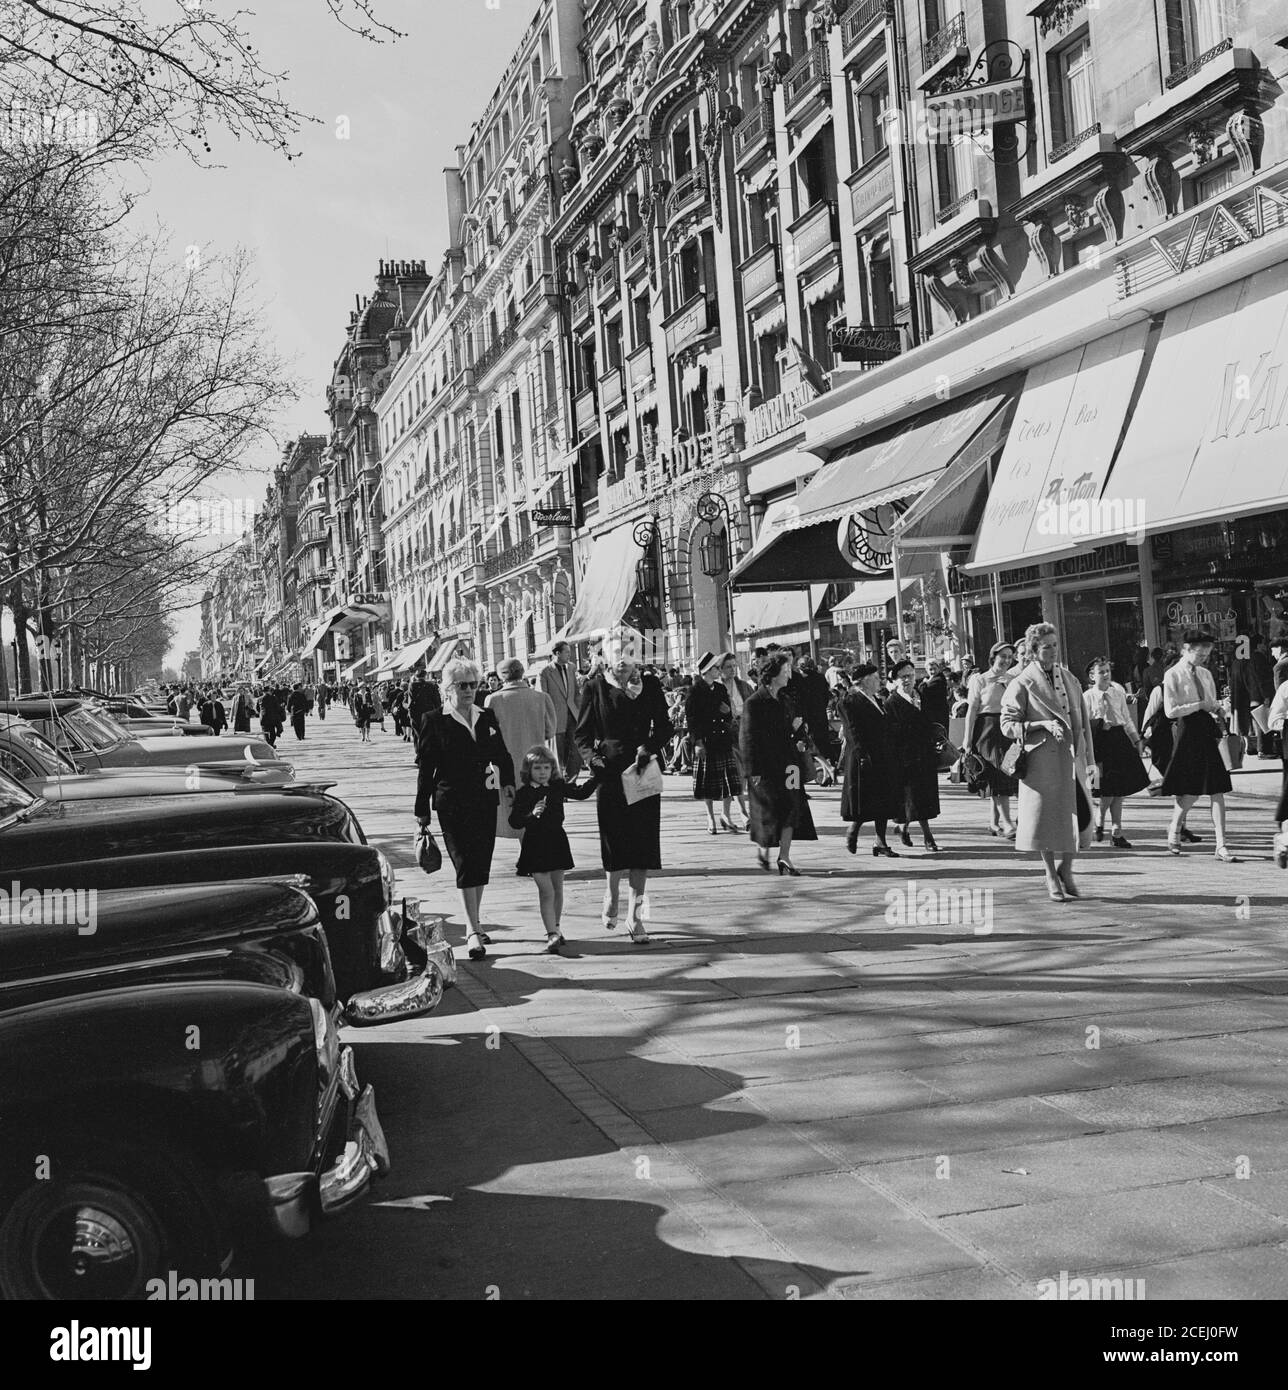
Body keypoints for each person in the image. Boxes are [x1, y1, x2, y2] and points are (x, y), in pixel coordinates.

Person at [415, 657, 516, 960]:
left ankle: (477, 920)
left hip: (485, 799)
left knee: (481, 861)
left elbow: (501, 754)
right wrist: (421, 809)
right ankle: (472, 930)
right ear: (449, 688)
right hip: (451, 802)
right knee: (464, 862)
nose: (470, 690)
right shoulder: (434, 720)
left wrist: (509, 782)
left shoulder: (486, 716)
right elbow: (426, 768)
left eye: (473, 684)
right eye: (463, 685)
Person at [575, 640, 672, 945]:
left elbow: (665, 727)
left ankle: (637, 915)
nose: (623, 661)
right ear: (606, 658)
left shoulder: (651, 685)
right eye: (617, 656)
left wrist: (650, 747)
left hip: (642, 769)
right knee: (614, 840)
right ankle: (612, 893)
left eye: (628, 656)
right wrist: (593, 759)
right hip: (610, 772)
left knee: (643, 845)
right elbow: (582, 734)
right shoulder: (595, 687)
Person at [1000, 622, 1094, 902]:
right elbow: (1007, 724)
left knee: (1081, 817)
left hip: (1071, 759)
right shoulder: (1022, 682)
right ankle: (1050, 874)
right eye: (1045, 647)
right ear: (1033, 650)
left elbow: (1083, 722)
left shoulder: (1069, 678)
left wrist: (1089, 757)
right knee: (1046, 821)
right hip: (1043, 762)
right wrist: (1040, 724)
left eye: (1054, 645)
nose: (1052, 651)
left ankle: (1067, 868)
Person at [509, 745, 599, 953]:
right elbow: (515, 821)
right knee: (546, 891)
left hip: (556, 841)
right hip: (535, 844)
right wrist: (531, 814)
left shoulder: (557, 787)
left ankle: (556, 928)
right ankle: (550, 933)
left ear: (553, 769)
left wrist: (598, 775)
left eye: (546, 768)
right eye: (537, 768)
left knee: (558, 889)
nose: (542, 773)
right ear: (529, 770)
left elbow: (581, 792)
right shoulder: (524, 793)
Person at [1161, 628, 1239, 862]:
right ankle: (1175, 825)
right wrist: (1198, 705)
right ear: (1186, 650)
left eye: (1207, 654)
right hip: (1187, 731)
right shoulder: (1173, 675)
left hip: (1206, 729)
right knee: (1191, 790)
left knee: (1217, 788)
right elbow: (1169, 711)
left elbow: (1211, 701)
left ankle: (1221, 844)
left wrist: (1217, 707)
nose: (1204, 658)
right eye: (1200, 654)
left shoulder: (1205, 674)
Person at [740, 651, 817, 875]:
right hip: (766, 766)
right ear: (773, 675)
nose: (789, 676)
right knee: (769, 811)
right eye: (785, 672)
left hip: (790, 764)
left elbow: (798, 729)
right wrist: (751, 770)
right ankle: (763, 849)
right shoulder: (754, 703)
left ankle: (784, 856)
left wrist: (801, 738)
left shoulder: (786, 699)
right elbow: (748, 738)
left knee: (792, 807)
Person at [486, 658, 559, 839]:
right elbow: (550, 731)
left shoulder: (493, 700)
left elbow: (488, 737)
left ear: (502, 677)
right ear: (522, 673)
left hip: (507, 768)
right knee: (536, 812)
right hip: (537, 765)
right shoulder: (542, 698)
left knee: (516, 815)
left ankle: (527, 856)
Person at [1083, 657, 1149, 847]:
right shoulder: (1087, 697)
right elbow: (1084, 724)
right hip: (1099, 744)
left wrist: (1136, 739)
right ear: (1092, 676)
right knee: (1105, 789)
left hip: (1119, 741)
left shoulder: (1117, 693)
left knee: (1119, 790)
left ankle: (1116, 831)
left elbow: (1126, 719)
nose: (1105, 675)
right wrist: (1099, 726)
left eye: (1107, 671)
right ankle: (1099, 818)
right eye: (1101, 672)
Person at [838, 662, 898, 857]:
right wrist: (862, 755)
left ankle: (881, 842)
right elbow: (852, 731)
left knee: (883, 799)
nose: (879, 681)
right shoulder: (850, 701)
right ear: (864, 681)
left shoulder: (876, 700)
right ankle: (853, 830)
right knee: (866, 799)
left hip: (882, 755)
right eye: (875, 678)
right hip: (864, 756)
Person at [961, 640, 1019, 838]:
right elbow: (972, 710)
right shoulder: (980, 679)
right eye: (1002, 656)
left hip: (1008, 730)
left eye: (1010, 657)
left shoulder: (1013, 679)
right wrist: (967, 741)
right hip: (988, 731)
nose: (1006, 661)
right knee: (997, 775)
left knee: (1005, 774)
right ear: (993, 657)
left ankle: (994, 823)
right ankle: (1009, 824)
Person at [885, 658, 942, 852]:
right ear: (895, 680)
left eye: (910, 675)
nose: (907, 680)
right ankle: (928, 837)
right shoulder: (892, 702)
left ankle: (903, 828)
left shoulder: (921, 696)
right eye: (903, 677)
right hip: (906, 757)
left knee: (919, 798)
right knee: (914, 798)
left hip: (924, 754)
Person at [686, 651, 746, 834]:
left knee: (729, 780)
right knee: (708, 784)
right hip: (706, 741)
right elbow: (691, 719)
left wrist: (727, 711)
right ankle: (710, 816)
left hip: (722, 739)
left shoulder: (720, 689)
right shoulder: (695, 691)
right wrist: (697, 742)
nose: (718, 671)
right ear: (706, 670)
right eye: (715, 668)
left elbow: (728, 714)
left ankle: (725, 814)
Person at [539, 641, 584, 779]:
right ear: (557, 653)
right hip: (556, 718)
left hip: (573, 715)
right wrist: (547, 719)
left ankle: (572, 780)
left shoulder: (571, 668)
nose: (570, 655)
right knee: (558, 753)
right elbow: (543, 697)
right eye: (567, 652)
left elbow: (576, 693)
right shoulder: (545, 672)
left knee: (575, 750)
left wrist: (580, 711)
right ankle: (559, 783)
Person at [918, 659, 952, 735]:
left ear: (938, 668)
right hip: (935, 714)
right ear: (926, 670)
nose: (933, 672)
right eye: (930, 669)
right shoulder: (932, 679)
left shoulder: (938, 680)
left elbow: (922, 690)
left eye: (934, 669)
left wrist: (924, 682)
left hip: (937, 715)